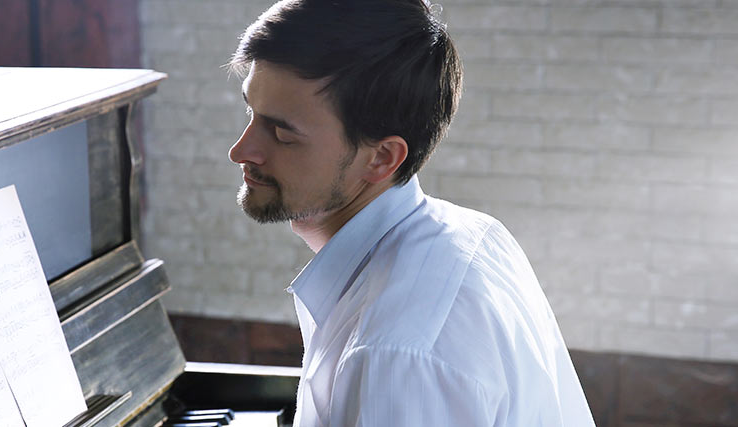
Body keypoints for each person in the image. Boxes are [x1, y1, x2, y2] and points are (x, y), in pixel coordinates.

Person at [225, 1, 595, 425]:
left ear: (382, 158)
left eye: (282, 134)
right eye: (250, 112)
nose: (240, 150)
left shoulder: (394, 355)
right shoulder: (474, 232)